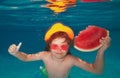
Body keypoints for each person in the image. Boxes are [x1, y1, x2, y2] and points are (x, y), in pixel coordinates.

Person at [8, 22, 111, 78]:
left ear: (69, 46)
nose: (59, 50)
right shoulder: (44, 55)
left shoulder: (71, 60)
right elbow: (26, 58)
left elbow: (97, 71)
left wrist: (101, 51)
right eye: (55, 46)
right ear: (49, 46)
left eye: (63, 46)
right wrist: (16, 53)